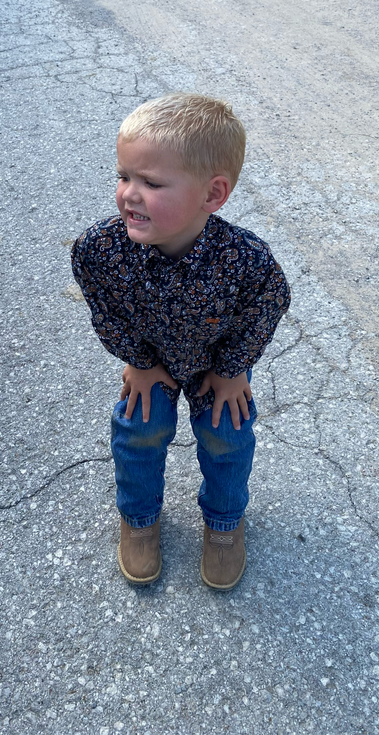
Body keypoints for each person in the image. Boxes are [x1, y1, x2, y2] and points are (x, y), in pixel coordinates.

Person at [72, 93, 291, 590]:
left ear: (213, 195)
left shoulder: (246, 259)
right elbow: (103, 305)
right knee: (139, 430)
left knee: (227, 438)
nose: (129, 193)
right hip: (151, 361)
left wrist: (234, 369)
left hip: (219, 364)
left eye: (150, 182)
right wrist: (139, 361)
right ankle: (139, 517)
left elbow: (268, 304)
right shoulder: (100, 248)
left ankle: (224, 523)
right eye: (123, 176)